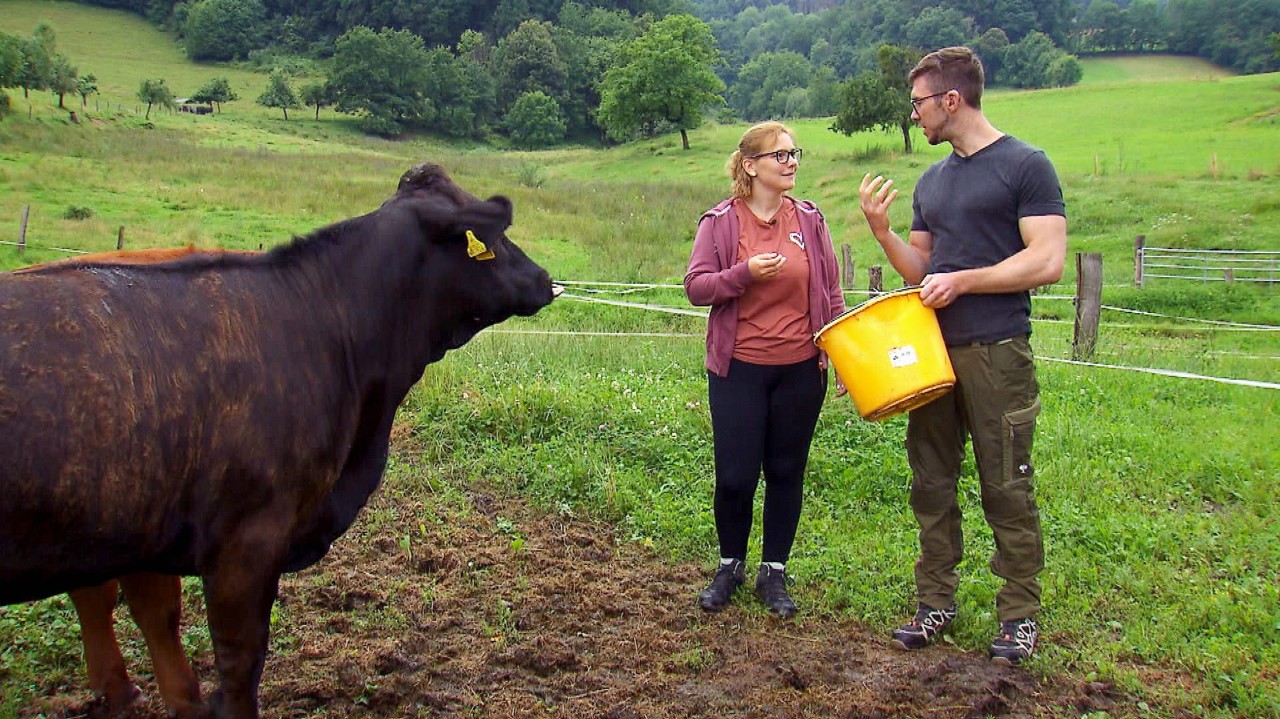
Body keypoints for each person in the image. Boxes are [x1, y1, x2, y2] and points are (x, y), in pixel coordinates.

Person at [857, 46, 1066, 665]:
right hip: (931, 355)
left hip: (997, 351)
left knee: (1006, 485)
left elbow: (1047, 260)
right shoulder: (933, 181)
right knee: (932, 482)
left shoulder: (1026, 165)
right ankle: (936, 603)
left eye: (920, 102)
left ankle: (1019, 616)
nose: (914, 113)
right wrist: (883, 233)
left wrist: (967, 280)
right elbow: (923, 270)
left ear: (952, 100)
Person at [684, 121, 846, 619]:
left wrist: (840, 349)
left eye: (795, 153)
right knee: (735, 476)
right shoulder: (721, 223)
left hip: (800, 369)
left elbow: (832, 291)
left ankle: (773, 571)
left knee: (785, 472)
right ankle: (729, 565)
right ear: (750, 166)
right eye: (780, 155)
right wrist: (743, 275)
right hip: (739, 369)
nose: (791, 162)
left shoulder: (811, 221)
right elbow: (696, 286)